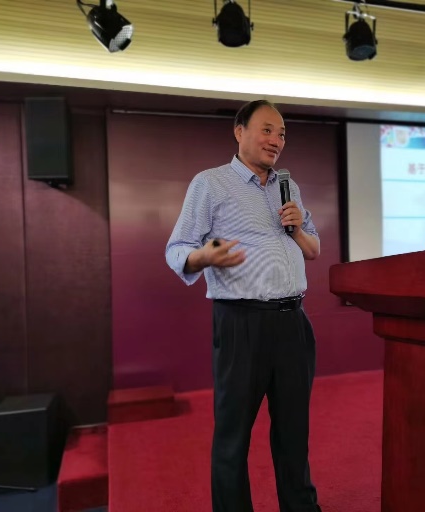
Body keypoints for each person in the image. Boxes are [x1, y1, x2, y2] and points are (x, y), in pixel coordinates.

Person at [165, 99, 323, 512]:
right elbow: (177, 248)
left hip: (293, 323)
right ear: (239, 131)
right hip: (241, 323)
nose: (276, 141)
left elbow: (313, 248)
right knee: (233, 436)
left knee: (294, 431)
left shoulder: (288, 187)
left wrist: (296, 228)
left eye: (282, 134)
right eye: (267, 130)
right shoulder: (210, 183)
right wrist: (203, 256)